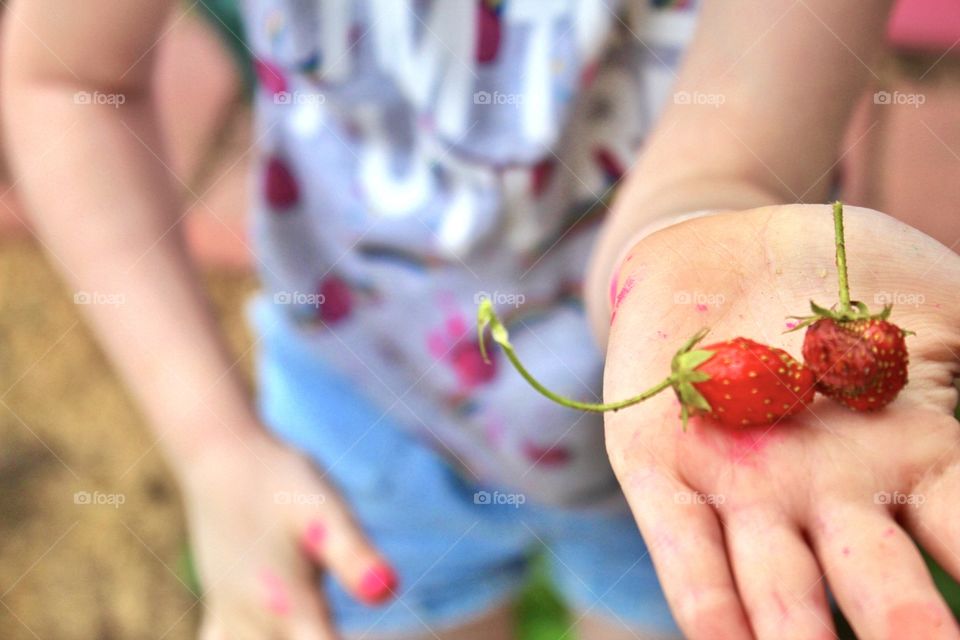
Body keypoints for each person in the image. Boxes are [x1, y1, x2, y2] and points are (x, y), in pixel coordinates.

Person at [4, 1, 959, 639]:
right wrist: (214, 447)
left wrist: (686, 273)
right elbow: (66, 81)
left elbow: (722, 171)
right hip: (362, 412)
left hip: (665, 459)